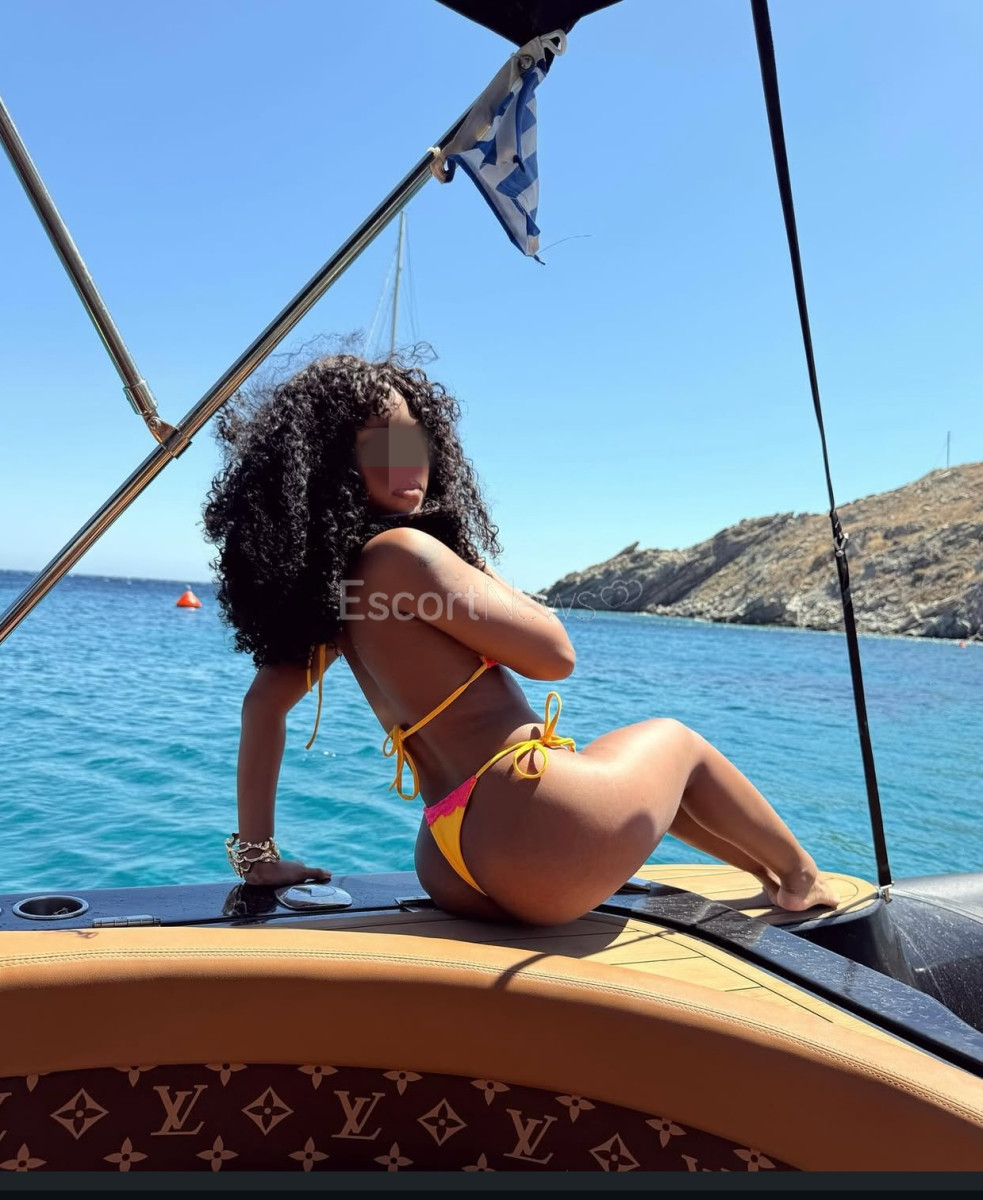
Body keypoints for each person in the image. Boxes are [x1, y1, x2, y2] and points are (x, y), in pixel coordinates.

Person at [203, 353, 838, 926]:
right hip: (534, 826)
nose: (408, 459)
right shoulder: (405, 552)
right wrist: (474, 564)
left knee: (637, 779)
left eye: (413, 439)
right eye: (380, 444)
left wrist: (258, 857)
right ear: (331, 466)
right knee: (678, 744)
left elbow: (262, 707)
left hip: (450, 863)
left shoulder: (333, 595)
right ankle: (802, 879)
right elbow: (554, 656)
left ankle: (767, 875)